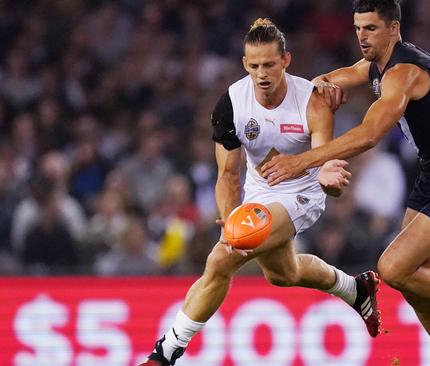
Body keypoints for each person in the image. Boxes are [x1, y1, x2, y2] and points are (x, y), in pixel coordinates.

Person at [261, 1, 430, 365]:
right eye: (358, 28)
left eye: (371, 28)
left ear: (394, 28)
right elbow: (332, 78)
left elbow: (370, 135)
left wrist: (303, 161)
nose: (361, 36)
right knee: (417, 285)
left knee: (393, 269)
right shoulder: (378, 65)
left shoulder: (404, 71)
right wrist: (319, 87)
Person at [139, 19, 381, 366]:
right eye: (254, 66)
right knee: (283, 275)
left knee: (222, 259)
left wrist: (329, 177)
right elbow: (227, 174)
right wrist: (228, 220)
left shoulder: (312, 102)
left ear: (286, 60)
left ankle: (165, 353)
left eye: (269, 64)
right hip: (259, 193)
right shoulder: (232, 104)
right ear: (244, 64)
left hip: (301, 194)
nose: (262, 74)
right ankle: (355, 289)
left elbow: (324, 157)